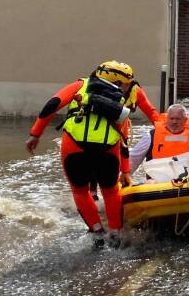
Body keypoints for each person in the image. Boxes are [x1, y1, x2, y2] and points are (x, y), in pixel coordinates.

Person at [26, 60, 140, 248]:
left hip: (74, 148)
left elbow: (52, 104)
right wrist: (125, 171)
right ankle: (116, 234)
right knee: (111, 191)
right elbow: (124, 140)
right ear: (118, 82)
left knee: (80, 191)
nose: (128, 87)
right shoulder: (120, 100)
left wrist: (35, 134)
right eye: (127, 83)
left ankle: (97, 233)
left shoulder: (80, 85)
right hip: (108, 150)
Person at [128, 104, 189, 179]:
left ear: (185, 121)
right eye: (171, 119)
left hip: (188, 180)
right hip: (158, 183)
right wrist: (125, 174)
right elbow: (134, 158)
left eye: (178, 119)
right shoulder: (151, 136)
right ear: (167, 119)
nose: (174, 122)